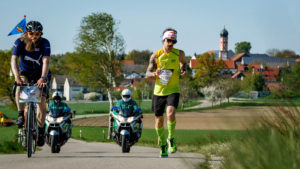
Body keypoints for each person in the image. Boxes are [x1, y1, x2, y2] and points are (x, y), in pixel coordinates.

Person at [146, 28, 187, 157]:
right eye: (168, 40)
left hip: (173, 90)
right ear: (163, 40)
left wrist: (183, 69)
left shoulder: (179, 53)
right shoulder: (155, 56)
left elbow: (184, 63)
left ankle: (171, 138)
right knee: (159, 120)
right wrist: (154, 73)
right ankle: (163, 144)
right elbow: (147, 73)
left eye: (173, 41)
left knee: (170, 113)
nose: (170, 44)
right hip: (159, 92)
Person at [11, 20, 51, 147]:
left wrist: (43, 77)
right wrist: (17, 77)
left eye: (37, 34)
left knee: (41, 103)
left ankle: (40, 130)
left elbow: (46, 61)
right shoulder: (19, 42)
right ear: (26, 33)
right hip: (25, 73)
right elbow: (14, 60)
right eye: (31, 33)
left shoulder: (45, 43)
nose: (34, 36)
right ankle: (20, 115)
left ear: (40, 34)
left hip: (41, 73)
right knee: (19, 87)